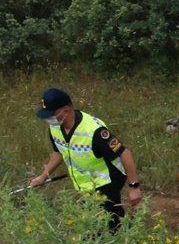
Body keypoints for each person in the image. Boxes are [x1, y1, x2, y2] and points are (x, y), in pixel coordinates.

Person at [29, 88, 142, 229]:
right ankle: (126, 238)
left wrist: (133, 187)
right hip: (85, 185)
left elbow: (125, 154)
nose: (48, 119)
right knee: (99, 222)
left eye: (51, 115)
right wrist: (43, 176)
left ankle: (130, 242)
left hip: (107, 180)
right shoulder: (56, 127)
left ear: (65, 110)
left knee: (104, 224)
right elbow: (59, 152)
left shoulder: (95, 131)